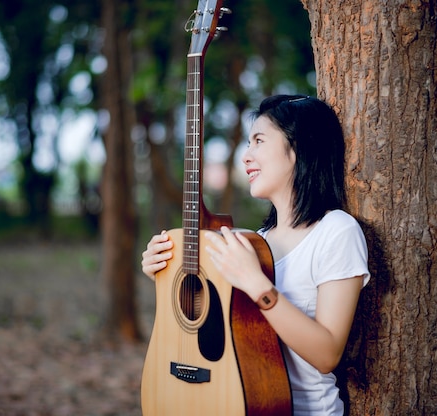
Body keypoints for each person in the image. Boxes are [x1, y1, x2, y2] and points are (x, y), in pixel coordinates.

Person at [141, 94, 370, 415]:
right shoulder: (255, 243)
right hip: (239, 404)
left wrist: (257, 283)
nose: (246, 156)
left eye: (259, 141)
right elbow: (213, 327)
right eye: (247, 143)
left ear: (299, 148)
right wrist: (164, 273)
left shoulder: (337, 231)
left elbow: (327, 354)